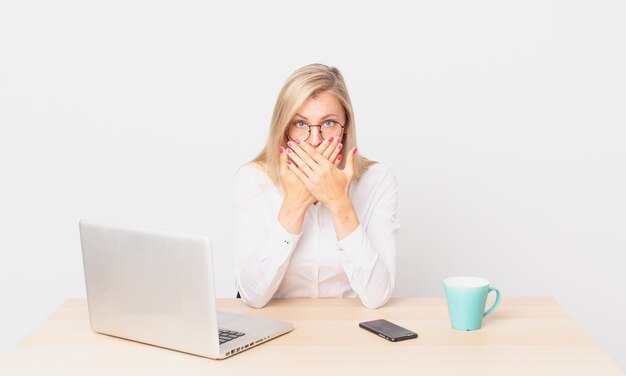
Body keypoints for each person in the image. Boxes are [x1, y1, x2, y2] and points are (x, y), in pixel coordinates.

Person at [234, 63, 400, 309]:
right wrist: (293, 206)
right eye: (300, 124)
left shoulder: (377, 180)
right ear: (285, 130)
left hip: (349, 332)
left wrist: (339, 203)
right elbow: (251, 296)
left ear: (345, 128)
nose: (314, 140)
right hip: (276, 331)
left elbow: (377, 296)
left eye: (329, 123)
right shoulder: (254, 178)